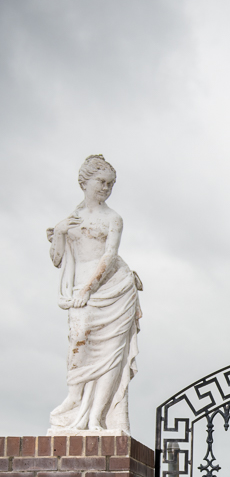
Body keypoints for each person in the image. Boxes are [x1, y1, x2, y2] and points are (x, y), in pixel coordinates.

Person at [48, 154, 141, 434]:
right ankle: (75, 397)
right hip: (80, 290)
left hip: (113, 287)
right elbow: (56, 260)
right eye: (101, 182)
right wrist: (61, 234)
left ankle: (97, 417)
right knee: (78, 337)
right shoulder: (69, 220)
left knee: (112, 354)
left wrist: (88, 289)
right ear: (84, 181)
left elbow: (110, 256)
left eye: (110, 184)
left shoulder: (113, 218)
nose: (105, 188)